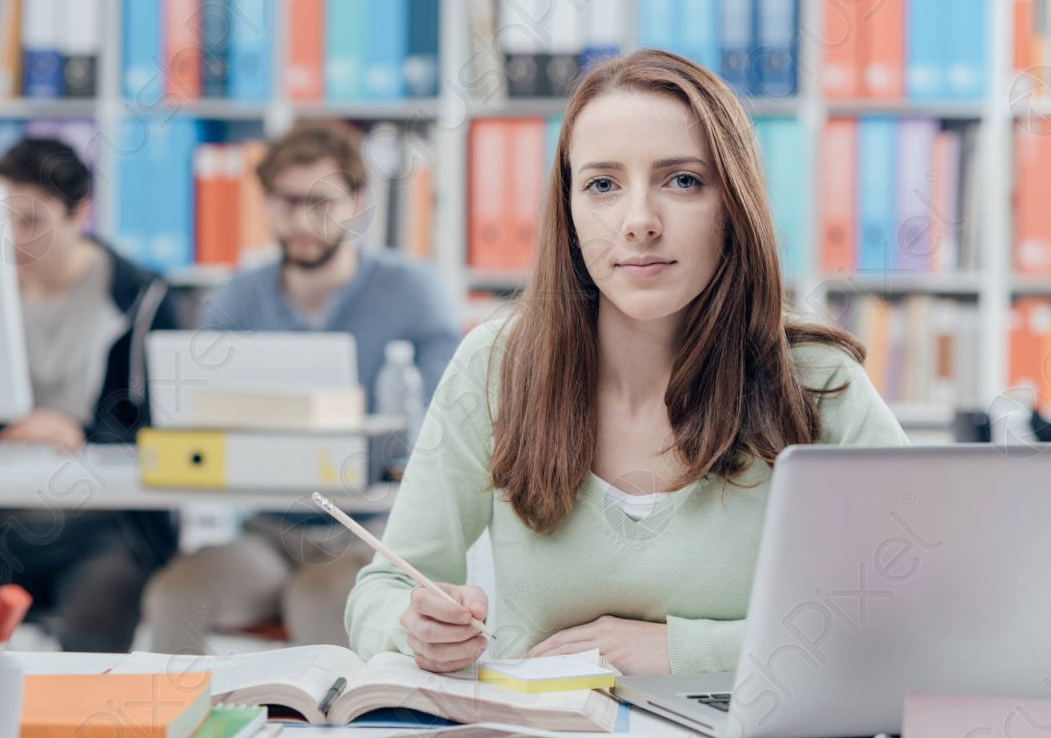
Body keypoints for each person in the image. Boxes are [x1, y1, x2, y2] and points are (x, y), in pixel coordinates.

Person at [345, 49, 910, 676]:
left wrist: (685, 650)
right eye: (603, 185)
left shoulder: (817, 383)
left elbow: (920, 613)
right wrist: (413, 628)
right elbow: (381, 589)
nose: (638, 222)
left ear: (733, 205)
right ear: (570, 210)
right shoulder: (497, 364)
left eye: (682, 180)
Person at [143, 121, 460, 654]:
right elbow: (200, 420)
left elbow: (436, 428)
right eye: (286, 202)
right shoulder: (236, 297)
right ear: (265, 205)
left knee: (321, 597)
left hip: (369, 529)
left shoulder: (414, 292)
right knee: (177, 593)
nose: (302, 221)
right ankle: (183, 730)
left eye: (322, 202)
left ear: (357, 202)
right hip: (270, 527)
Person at [0, 138, 179, 652]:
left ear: (79, 212)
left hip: (106, 527)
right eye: (3, 222)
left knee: (100, 607)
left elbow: (162, 430)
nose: (14, 240)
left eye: (32, 222)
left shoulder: (142, 298)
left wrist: (80, 433)